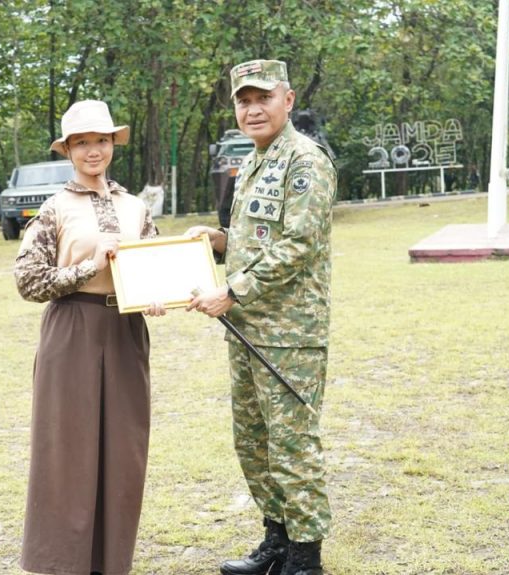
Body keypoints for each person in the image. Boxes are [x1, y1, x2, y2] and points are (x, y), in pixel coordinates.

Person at [186, 59, 335, 575]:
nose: (253, 110)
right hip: (247, 330)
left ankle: (305, 557)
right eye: (244, 101)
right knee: (254, 443)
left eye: (263, 98)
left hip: (290, 335)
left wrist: (233, 288)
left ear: (287, 100)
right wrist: (220, 241)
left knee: (292, 447)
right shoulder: (255, 159)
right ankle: (276, 538)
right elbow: (259, 239)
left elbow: (299, 244)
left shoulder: (305, 160)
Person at [15, 99, 164, 575]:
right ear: (69, 150)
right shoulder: (54, 208)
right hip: (72, 332)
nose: (93, 150)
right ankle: (62, 563)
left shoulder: (135, 206)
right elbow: (28, 281)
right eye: (82, 142)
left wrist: (160, 293)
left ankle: (111, 562)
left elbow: (156, 268)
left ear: (112, 145)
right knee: (67, 451)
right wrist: (87, 267)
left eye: (101, 140)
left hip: (125, 330)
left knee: (124, 450)